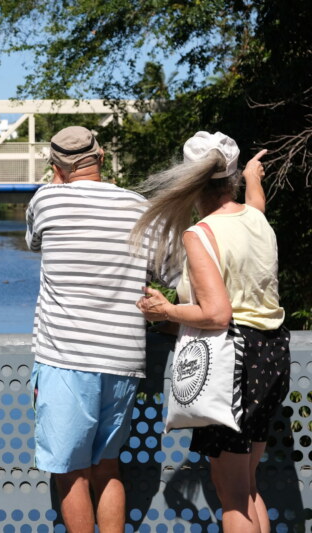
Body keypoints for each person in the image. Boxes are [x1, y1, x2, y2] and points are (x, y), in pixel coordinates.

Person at [133, 132, 288, 533]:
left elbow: (216, 314)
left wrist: (165, 310)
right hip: (271, 354)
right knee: (247, 485)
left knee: (231, 493)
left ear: (191, 181)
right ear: (232, 178)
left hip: (233, 363)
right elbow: (256, 202)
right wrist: (252, 176)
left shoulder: (200, 234)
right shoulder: (255, 219)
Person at [26, 126, 175, 533]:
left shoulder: (46, 199)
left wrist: (57, 182)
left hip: (66, 358)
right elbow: (170, 273)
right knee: (108, 467)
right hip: (124, 358)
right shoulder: (139, 207)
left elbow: (35, 243)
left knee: (70, 471)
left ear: (56, 166)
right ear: (102, 156)